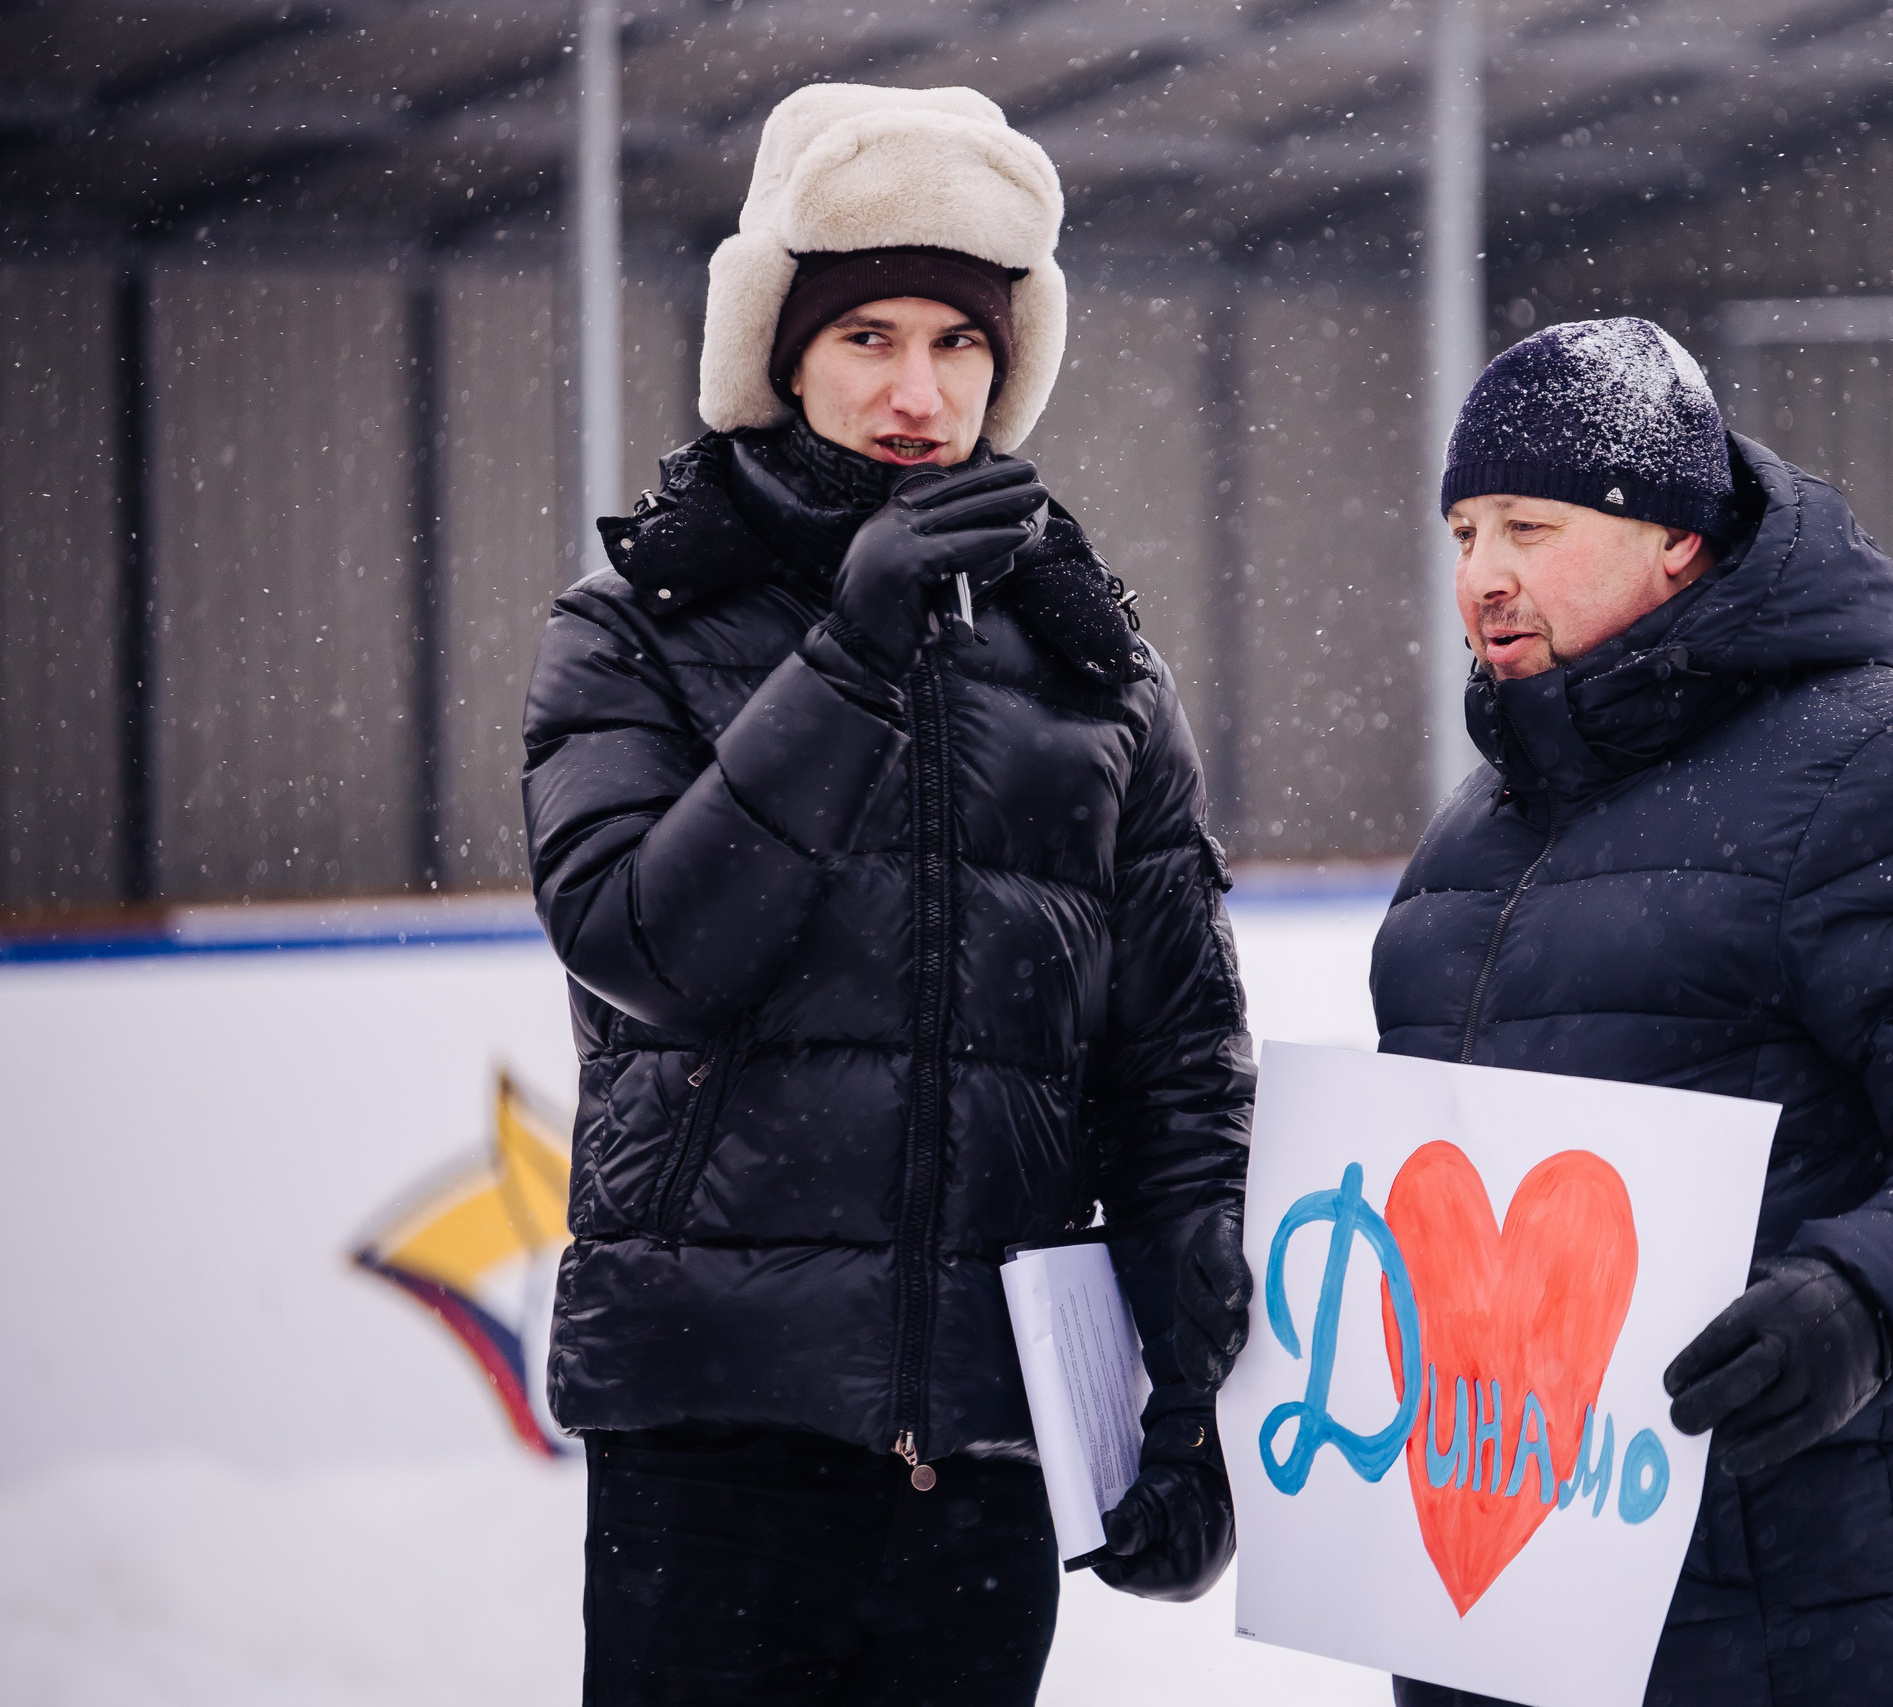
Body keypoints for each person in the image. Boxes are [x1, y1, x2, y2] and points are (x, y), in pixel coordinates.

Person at [521, 83, 1254, 1706]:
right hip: (715, 1438)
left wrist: (1190, 1400)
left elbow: (1176, 1068)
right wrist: (851, 653)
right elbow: (646, 949)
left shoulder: (1094, 663)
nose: (917, 393)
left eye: (959, 342)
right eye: (868, 339)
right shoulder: (638, 617)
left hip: (983, 1459)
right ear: (783, 355)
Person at [1370, 319, 1893, 1707]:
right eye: (1464, 533)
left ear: (1676, 536)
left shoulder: (1881, 769)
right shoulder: (1474, 834)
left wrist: (1861, 1302)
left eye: (1530, 528)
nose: (1483, 576)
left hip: (1804, 1615)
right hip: (1502, 1608)